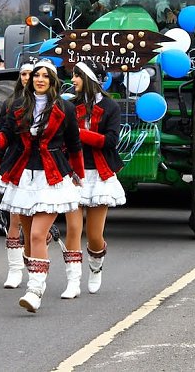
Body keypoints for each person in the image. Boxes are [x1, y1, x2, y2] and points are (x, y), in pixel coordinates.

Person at [0, 59, 84, 313]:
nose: (39, 79)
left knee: (38, 234)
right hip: (23, 176)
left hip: (52, 177)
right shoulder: (19, 105)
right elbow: (7, 134)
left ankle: (35, 290)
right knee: (29, 238)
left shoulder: (65, 108)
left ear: (53, 81)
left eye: (45, 76)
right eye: (36, 75)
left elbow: (74, 144)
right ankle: (35, 273)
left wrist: (78, 174)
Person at [71, 60, 126, 296]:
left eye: (77, 75)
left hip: (99, 174)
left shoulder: (111, 107)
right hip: (74, 173)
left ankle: (95, 266)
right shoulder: (70, 105)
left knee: (94, 235)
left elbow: (111, 141)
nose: (72, 80)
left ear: (89, 79)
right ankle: (73, 280)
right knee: (73, 230)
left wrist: (80, 133)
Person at [0, 62, 34, 289]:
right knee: (15, 217)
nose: (27, 78)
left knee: (37, 222)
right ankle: (15, 270)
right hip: (17, 166)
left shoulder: (52, 104)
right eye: (23, 74)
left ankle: (35, 266)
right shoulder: (10, 103)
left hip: (43, 168)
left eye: (31, 74)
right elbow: (3, 136)